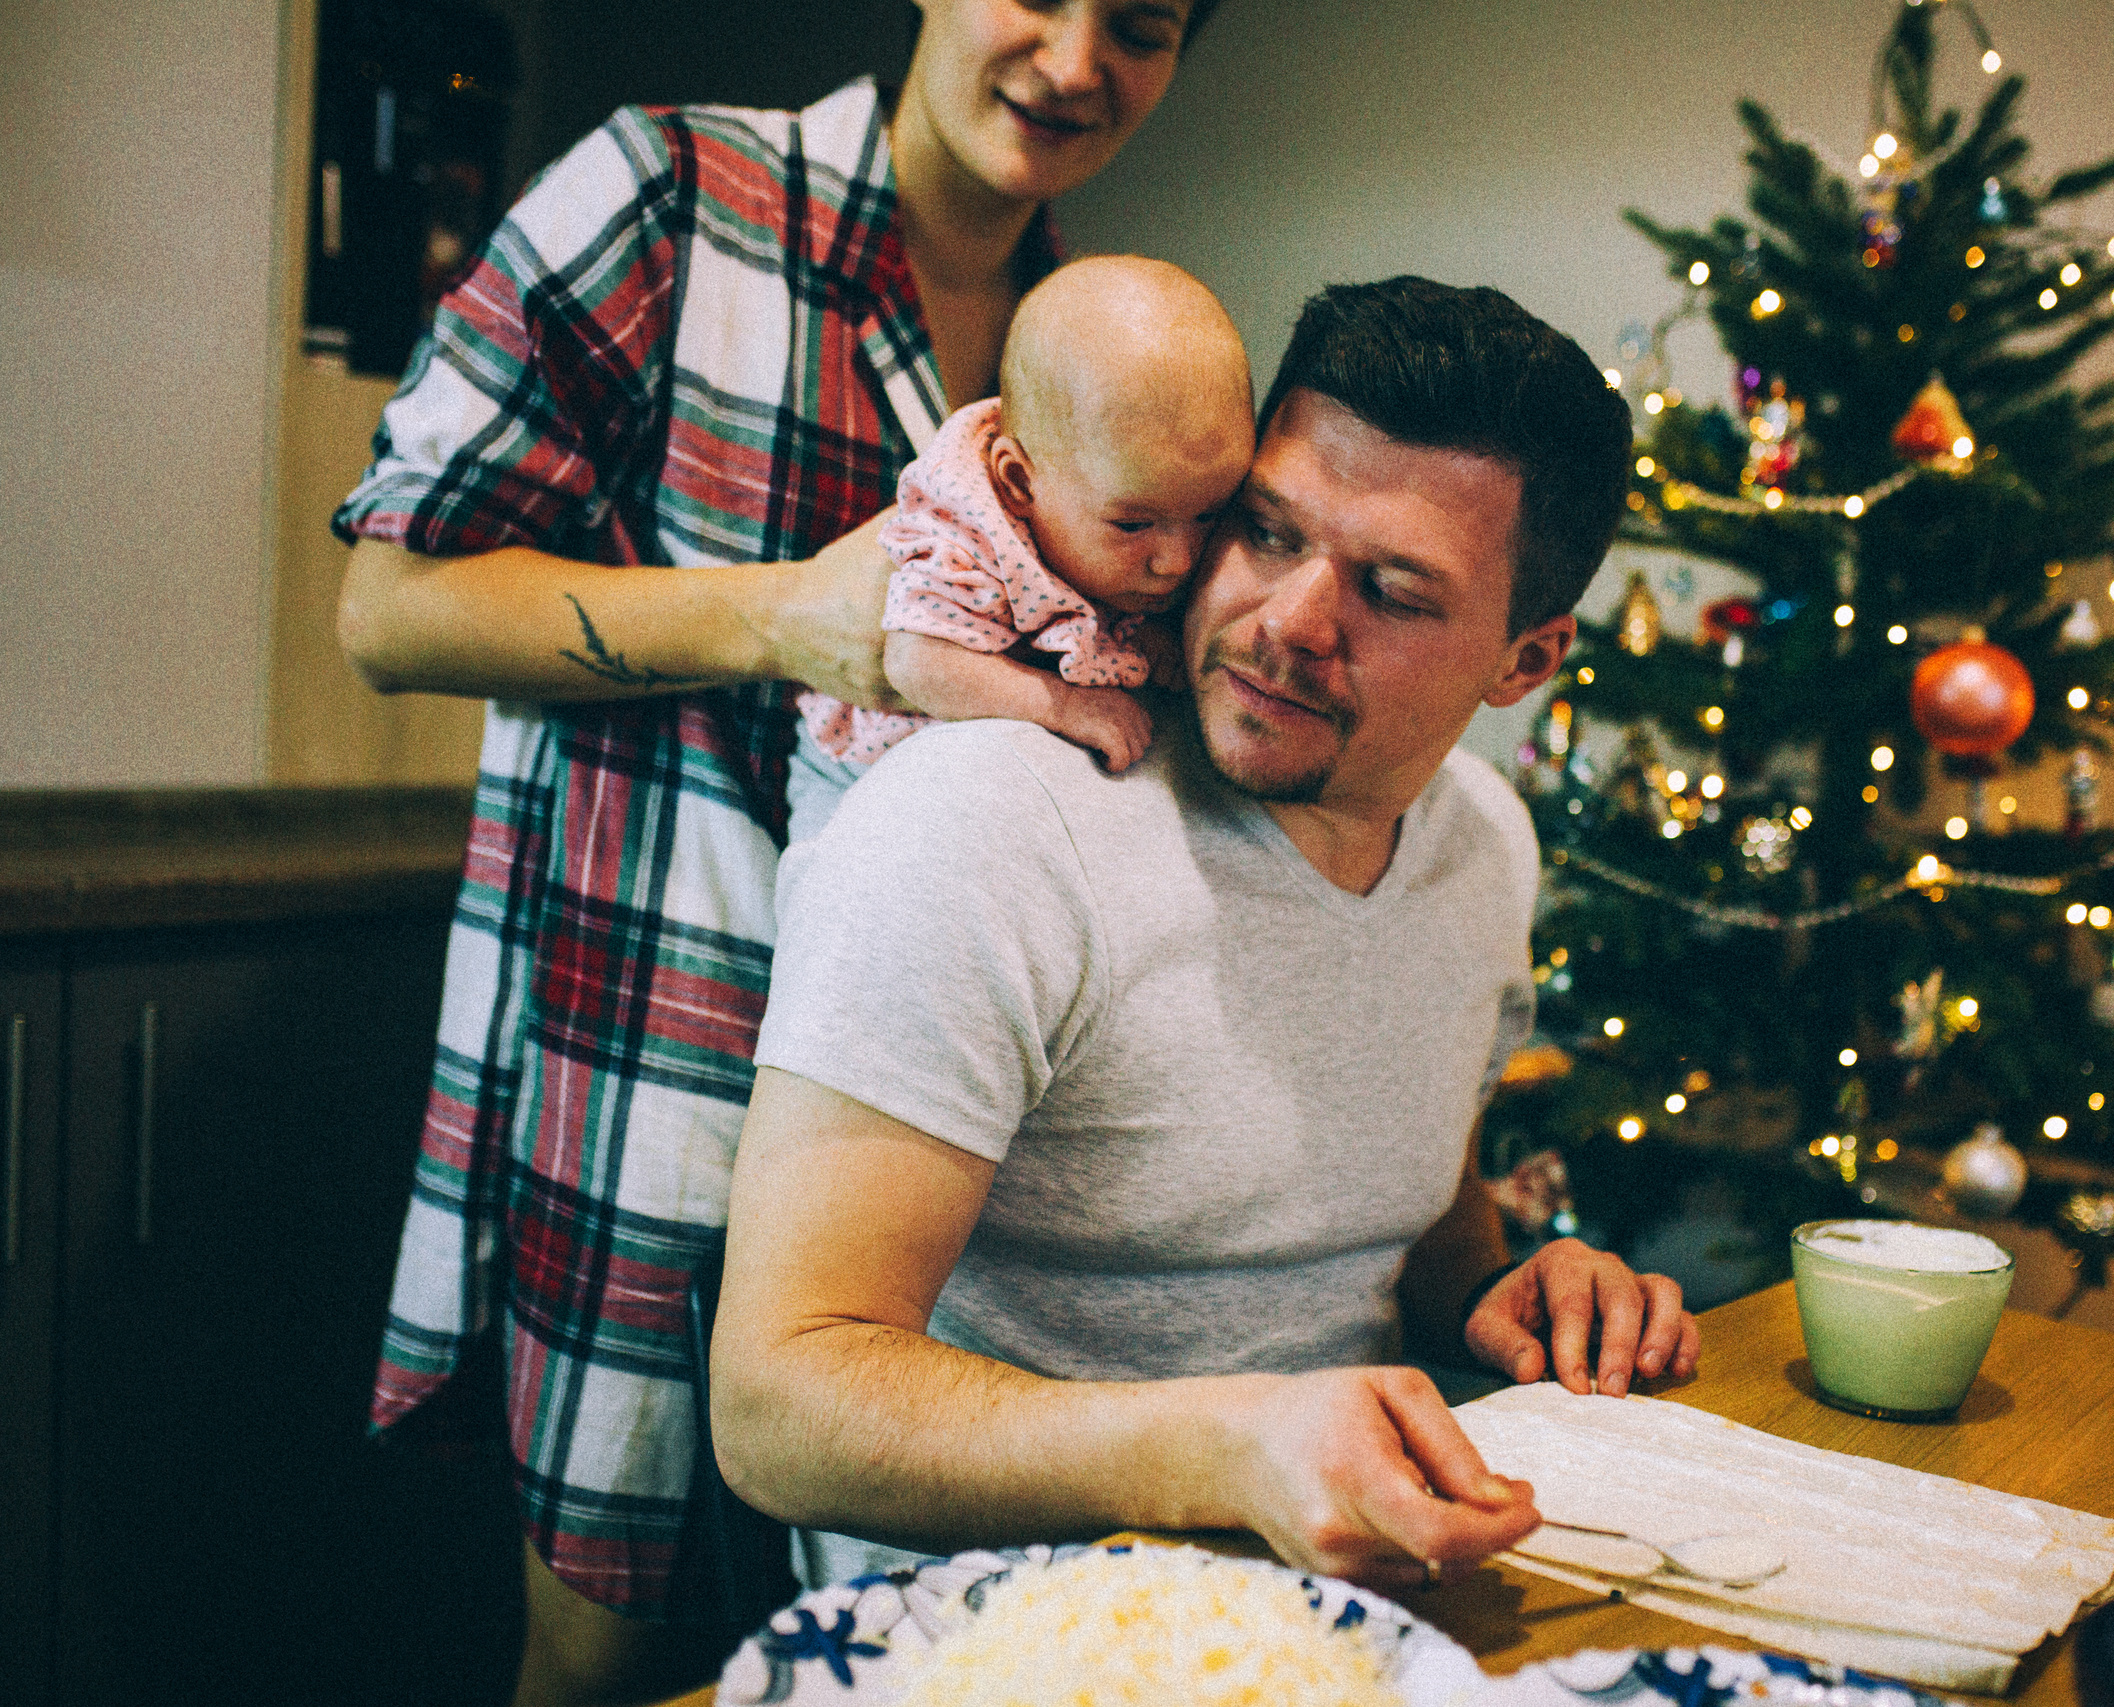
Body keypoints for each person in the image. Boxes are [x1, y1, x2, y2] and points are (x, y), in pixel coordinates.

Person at [330, 3, 1219, 1700]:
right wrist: (792, 619)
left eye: (1149, 23)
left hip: (939, 1141)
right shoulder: (671, 198)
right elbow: (389, 603)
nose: (1079, 56)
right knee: (616, 1664)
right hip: (657, 1069)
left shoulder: (1101, 345)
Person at [711, 277, 1701, 1590]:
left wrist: (1497, 1289)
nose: (1288, 620)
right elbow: (781, 1405)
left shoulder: (1486, 844)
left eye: (1393, 589)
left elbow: (1410, 1216)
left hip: (1368, 1598)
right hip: (995, 1632)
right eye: (1269, 530)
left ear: (1524, 660)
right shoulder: (986, 821)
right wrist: (1223, 1445)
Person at [789, 254, 1254, 839]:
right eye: (1134, 526)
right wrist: (1066, 706)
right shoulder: (969, 534)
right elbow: (916, 662)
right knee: (842, 888)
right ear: (1018, 482)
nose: (1177, 561)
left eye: (1209, 514)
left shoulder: (1111, 506)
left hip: (989, 800)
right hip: (854, 773)